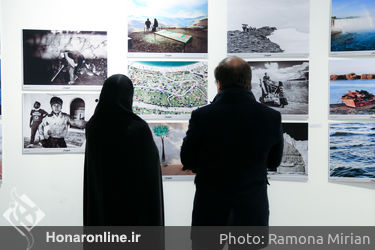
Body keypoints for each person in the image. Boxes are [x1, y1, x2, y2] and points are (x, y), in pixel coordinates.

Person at [181, 56, 284, 227]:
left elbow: (187, 159)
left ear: (219, 83)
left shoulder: (202, 116)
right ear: (249, 82)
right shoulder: (271, 116)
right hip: (252, 207)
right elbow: (274, 161)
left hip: (210, 207)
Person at [83, 74, 164, 226]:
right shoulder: (138, 128)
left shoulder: (93, 127)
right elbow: (151, 174)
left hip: (103, 206)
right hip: (133, 209)